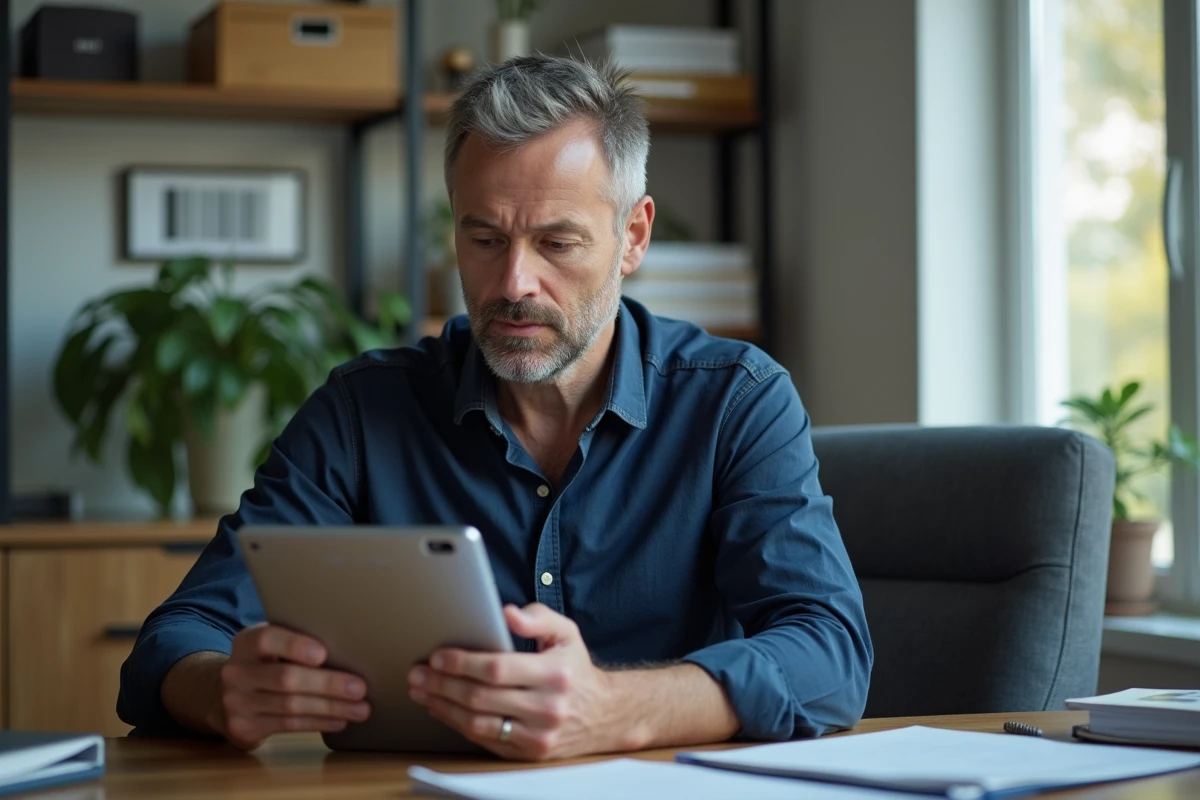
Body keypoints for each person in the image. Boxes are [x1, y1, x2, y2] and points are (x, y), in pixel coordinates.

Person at [117, 55, 873, 761]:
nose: (514, 282)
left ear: (632, 236)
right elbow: (173, 641)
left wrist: (614, 707)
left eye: (556, 242)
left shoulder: (736, 400)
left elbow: (830, 653)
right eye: (485, 238)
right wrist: (223, 692)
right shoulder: (361, 412)